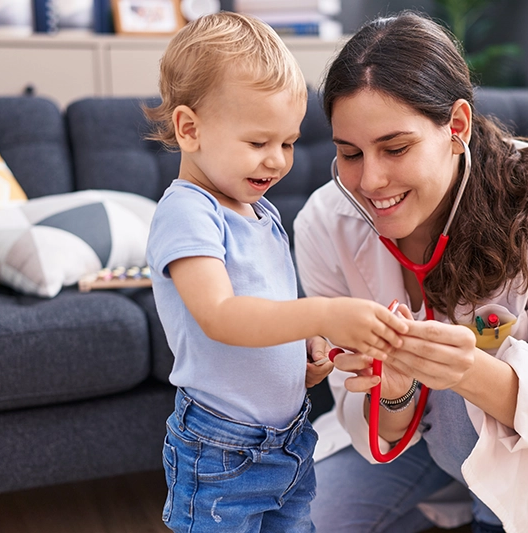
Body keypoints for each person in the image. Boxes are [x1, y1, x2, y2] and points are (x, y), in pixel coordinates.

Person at [293, 11, 528, 533]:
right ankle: (455, 486)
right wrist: (398, 387)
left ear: (456, 127)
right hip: (406, 433)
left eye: (396, 147)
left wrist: (463, 370)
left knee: (462, 399)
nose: (371, 180)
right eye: (349, 153)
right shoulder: (323, 223)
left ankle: (488, 507)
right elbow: (363, 412)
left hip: (526, 420)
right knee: (307, 524)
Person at [144, 13, 409, 533]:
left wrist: (305, 345)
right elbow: (222, 315)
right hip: (221, 448)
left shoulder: (261, 211)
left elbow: (270, 298)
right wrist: (325, 312)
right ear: (189, 128)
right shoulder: (188, 211)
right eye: (258, 142)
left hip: (288, 436)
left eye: (287, 143)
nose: (277, 161)